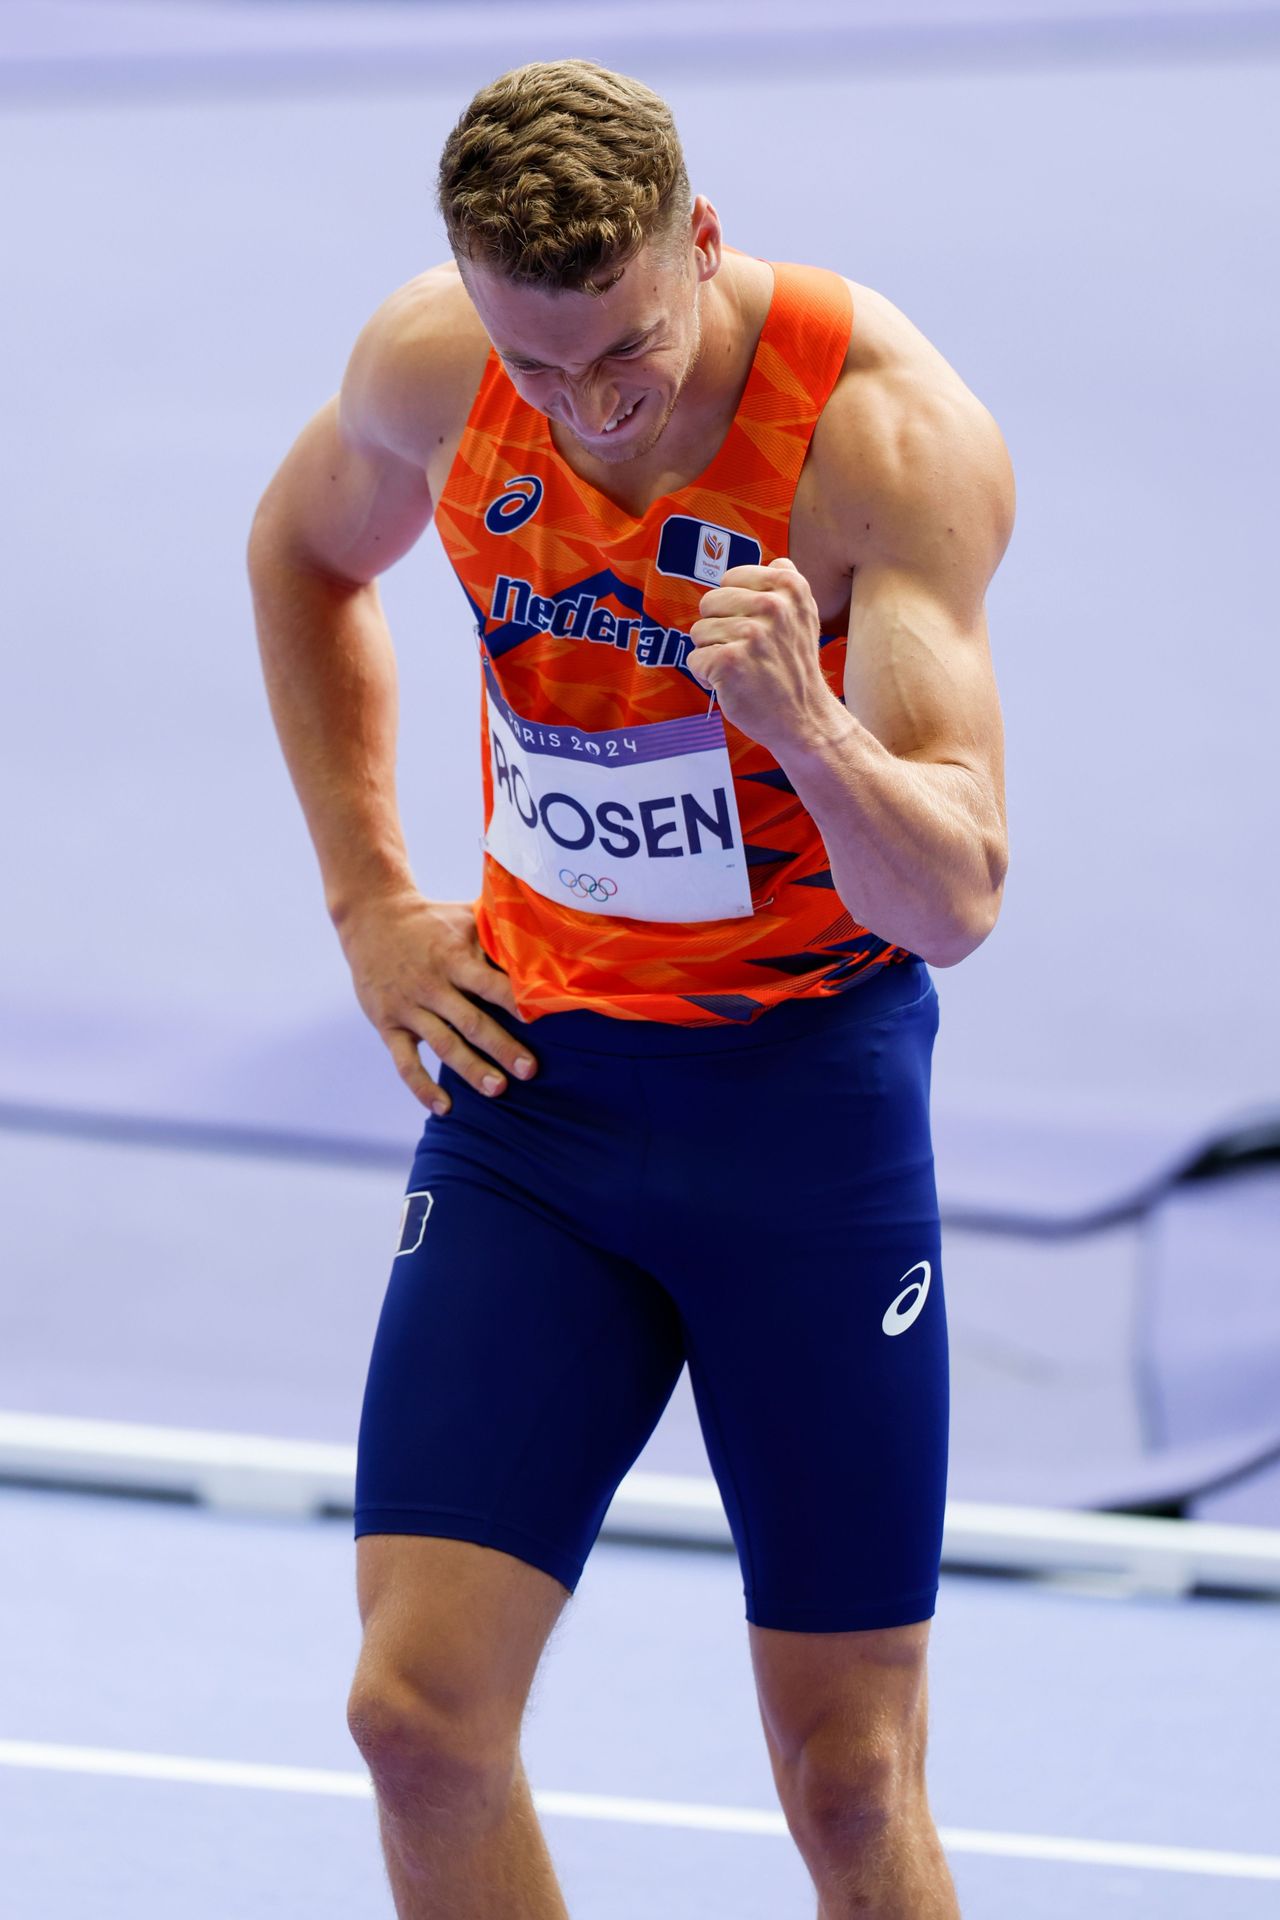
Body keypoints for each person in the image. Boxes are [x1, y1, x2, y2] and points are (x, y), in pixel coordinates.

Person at [248, 56, 1012, 1920]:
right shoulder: (434, 371)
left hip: (801, 1118)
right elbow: (303, 554)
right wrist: (370, 902)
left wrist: (812, 728)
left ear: (704, 251)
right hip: (542, 1095)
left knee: (848, 1784)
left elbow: (961, 896)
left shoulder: (877, 440)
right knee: (415, 1717)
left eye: (632, 360)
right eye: (543, 370)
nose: (588, 412)